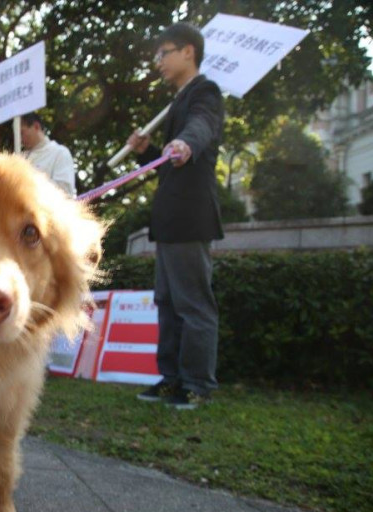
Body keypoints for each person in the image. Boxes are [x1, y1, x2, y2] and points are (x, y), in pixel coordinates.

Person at [126, 22, 224, 410]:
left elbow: (203, 126)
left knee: (192, 302)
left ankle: (197, 383)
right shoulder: (176, 102)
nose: (159, 62)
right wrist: (149, 150)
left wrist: (186, 141)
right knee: (167, 301)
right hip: (169, 219)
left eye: (164, 53)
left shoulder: (205, 93)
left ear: (188, 52)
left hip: (191, 216)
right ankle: (171, 378)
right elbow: (169, 165)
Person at [20, 113, 77, 197]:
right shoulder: (19, 158)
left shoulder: (60, 153)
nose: (20, 139)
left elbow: (65, 193)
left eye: (21, 133)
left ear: (36, 126)